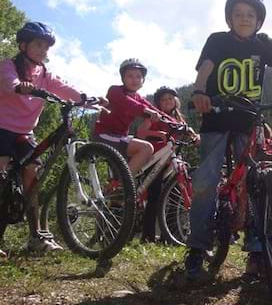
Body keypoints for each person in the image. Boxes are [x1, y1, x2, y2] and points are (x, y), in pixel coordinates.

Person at [186, 0, 272, 281]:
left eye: (250, 15)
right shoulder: (217, 40)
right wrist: (199, 92)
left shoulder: (264, 43)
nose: (244, 19)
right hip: (217, 117)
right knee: (207, 180)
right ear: (229, 18)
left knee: (258, 182)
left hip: (249, 119)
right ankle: (197, 248)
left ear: (259, 20)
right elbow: (206, 68)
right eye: (238, 14)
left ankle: (258, 248)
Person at [0, 22, 86, 253]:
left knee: (32, 176)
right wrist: (20, 86)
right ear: (23, 45)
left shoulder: (44, 73)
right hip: (2, 128)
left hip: (25, 132)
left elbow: (62, 86)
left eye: (46, 47)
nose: (43, 50)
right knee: (1, 168)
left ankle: (36, 237)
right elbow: (9, 82)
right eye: (38, 45)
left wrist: (85, 97)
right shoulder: (9, 65)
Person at [136, 86, 198, 243]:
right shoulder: (155, 117)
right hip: (155, 158)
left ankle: (170, 236)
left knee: (175, 197)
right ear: (158, 103)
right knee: (154, 196)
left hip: (173, 160)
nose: (167, 102)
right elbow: (140, 133)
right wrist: (158, 134)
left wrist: (195, 137)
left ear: (176, 101)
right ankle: (148, 237)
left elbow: (188, 132)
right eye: (163, 100)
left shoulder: (178, 119)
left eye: (170, 98)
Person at [93, 58, 161, 176]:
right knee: (146, 148)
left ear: (143, 80)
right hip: (105, 135)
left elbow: (157, 112)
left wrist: (179, 124)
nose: (134, 79)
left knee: (140, 164)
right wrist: (145, 110)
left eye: (138, 76)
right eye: (130, 76)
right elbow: (128, 104)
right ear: (123, 79)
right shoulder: (115, 90)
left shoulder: (139, 98)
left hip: (121, 137)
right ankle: (124, 186)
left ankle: (117, 187)